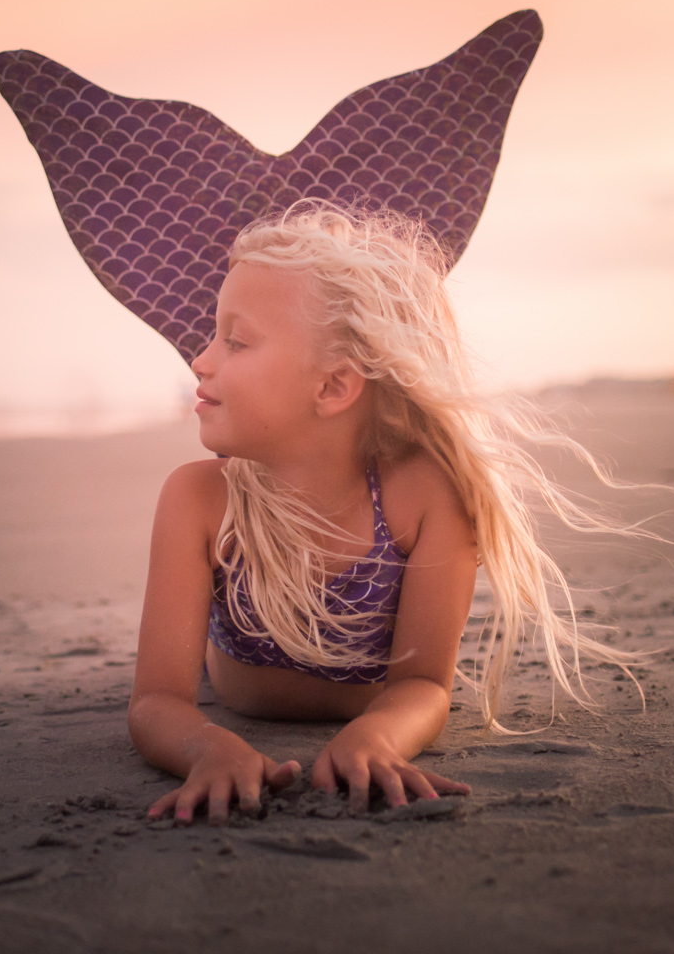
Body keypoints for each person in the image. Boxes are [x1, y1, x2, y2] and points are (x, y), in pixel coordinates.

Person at [128, 200, 643, 826]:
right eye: (213, 335)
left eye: (235, 341)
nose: (201, 360)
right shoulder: (201, 500)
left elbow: (424, 685)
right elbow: (157, 699)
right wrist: (208, 747)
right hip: (229, 685)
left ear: (333, 388)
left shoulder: (424, 499)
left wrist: (375, 737)